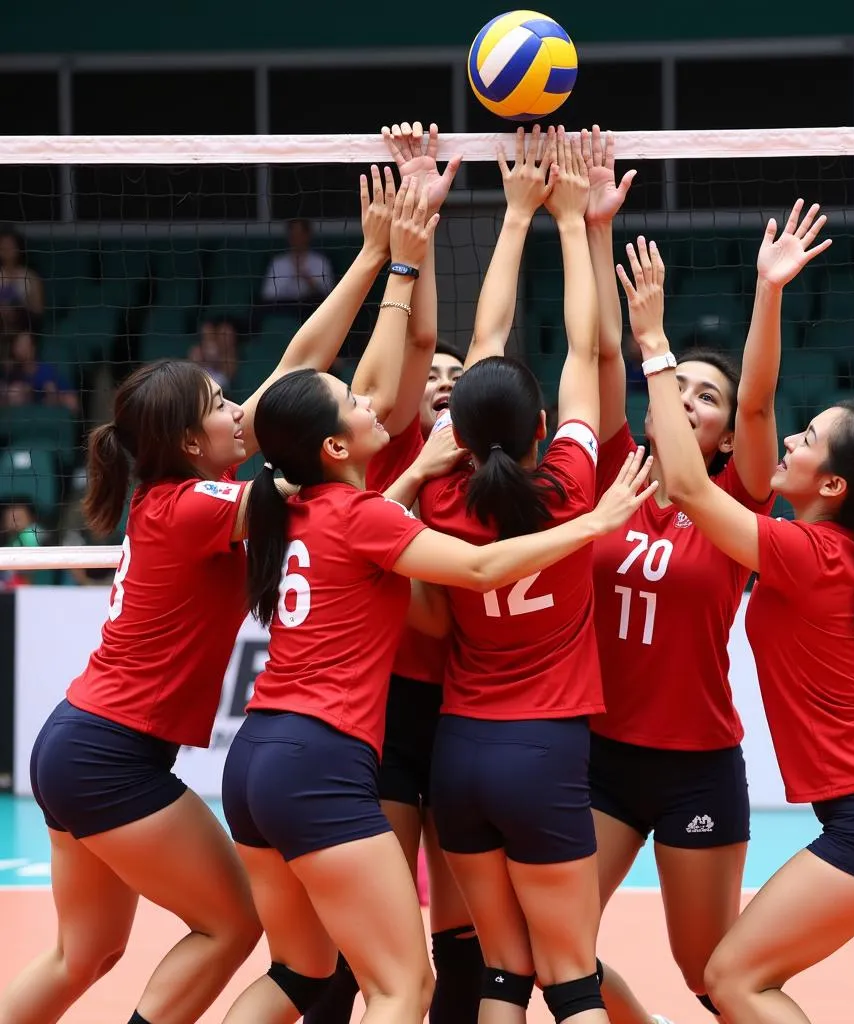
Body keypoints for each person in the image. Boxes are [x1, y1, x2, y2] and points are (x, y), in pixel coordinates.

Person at [0, 163, 403, 1024]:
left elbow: (297, 369)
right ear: (193, 438)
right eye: (225, 404)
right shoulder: (198, 508)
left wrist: (368, 259)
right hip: (107, 754)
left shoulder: (176, 496)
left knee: (86, 952)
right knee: (230, 926)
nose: (240, 412)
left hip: (79, 742)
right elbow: (305, 398)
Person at [219, 363, 656, 1024]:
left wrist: (420, 472)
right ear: (333, 448)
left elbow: (372, 524)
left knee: (299, 971)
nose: (372, 400)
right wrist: (599, 522)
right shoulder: (365, 514)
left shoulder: (297, 508)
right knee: (404, 989)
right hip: (320, 761)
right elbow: (478, 567)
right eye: (353, 400)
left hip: (254, 756)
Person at [619, 236, 854, 1024]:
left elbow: (684, 479)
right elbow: (754, 406)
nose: (788, 439)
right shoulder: (837, 544)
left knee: (736, 979)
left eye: (806, 441)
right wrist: (769, 292)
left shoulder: (803, 552)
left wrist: (654, 347)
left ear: (834, 485)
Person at [583, 122, 831, 1022]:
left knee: (710, 975)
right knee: (552, 951)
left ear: (724, 436)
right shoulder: (610, 471)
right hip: (599, 758)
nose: (689, 399)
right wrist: (594, 225)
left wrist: (768, 295)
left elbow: (762, 397)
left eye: (706, 397)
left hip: (696, 764)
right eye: (680, 385)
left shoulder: (736, 503)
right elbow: (604, 355)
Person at [419, 124, 612, 1024]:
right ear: (540, 426)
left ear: (456, 427)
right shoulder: (571, 481)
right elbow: (584, 353)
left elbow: (484, 335)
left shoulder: (439, 495)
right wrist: (571, 225)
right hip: (543, 749)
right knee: (572, 975)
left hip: (458, 752)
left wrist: (513, 216)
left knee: (503, 971)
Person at [302, 120, 476, 1024]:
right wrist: (417, 231)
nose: (441, 379)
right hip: (391, 709)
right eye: (432, 374)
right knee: (363, 948)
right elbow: (409, 347)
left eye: (457, 377)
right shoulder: (389, 447)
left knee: (464, 944)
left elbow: (463, 344)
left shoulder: (491, 472)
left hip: (476, 714)